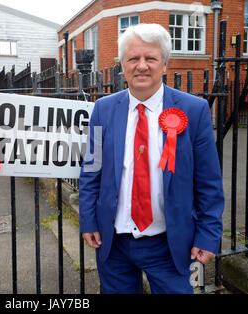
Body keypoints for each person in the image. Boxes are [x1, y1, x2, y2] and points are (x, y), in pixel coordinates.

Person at [79, 23, 224, 294]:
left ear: (165, 65)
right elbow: (92, 168)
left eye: (151, 58)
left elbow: (209, 183)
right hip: (114, 245)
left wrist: (209, 234)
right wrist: (87, 220)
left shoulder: (195, 110)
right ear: (122, 64)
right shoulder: (103, 109)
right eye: (133, 58)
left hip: (171, 246)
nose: (142, 66)